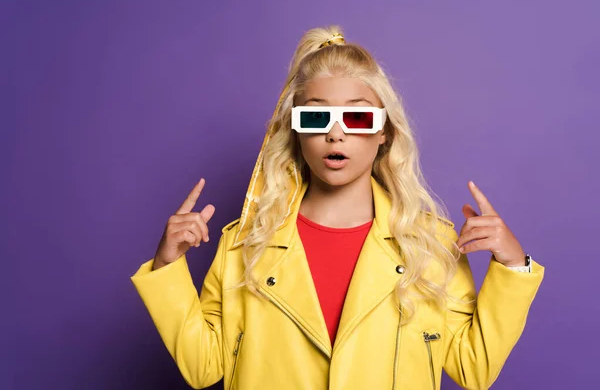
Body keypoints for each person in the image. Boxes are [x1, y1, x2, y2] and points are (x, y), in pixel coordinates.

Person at [130, 25, 544, 390]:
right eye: (316, 119)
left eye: (358, 119)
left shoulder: (430, 244)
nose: (336, 134)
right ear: (295, 133)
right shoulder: (244, 245)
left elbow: (475, 368)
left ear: (384, 133)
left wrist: (512, 266)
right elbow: (203, 367)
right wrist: (168, 264)